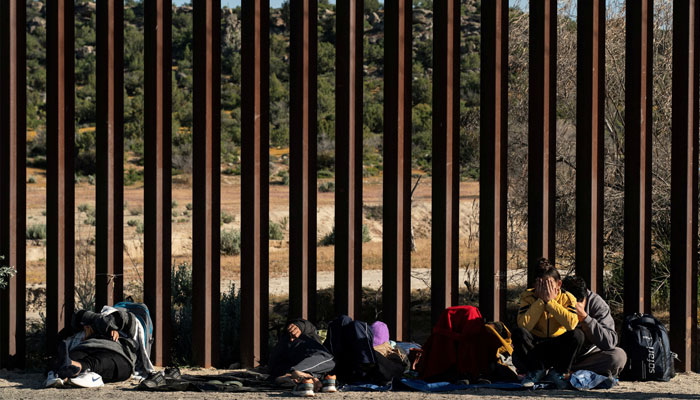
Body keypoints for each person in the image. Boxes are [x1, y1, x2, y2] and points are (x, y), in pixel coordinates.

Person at [513, 258, 584, 388]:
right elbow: (524, 325)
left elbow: (571, 324)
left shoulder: (567, 297)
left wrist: (551, 303)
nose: (546, 289)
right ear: (535, 285)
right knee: (518, 333)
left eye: (550, 285)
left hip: (557, 345)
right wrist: (540, 302)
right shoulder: (527, 297)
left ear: (559, 284)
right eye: (542, 285)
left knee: (578, 335)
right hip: (535, 348)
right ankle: (536, 371)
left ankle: (558, 373)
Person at [45, 306, 155, 388]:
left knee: (98, 362)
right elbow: (79, 315)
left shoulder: (127, 321)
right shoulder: (97, 323)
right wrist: (103, 326)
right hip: (88, 347)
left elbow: (123, 318)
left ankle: (70, 368)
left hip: (115, 351)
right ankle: (64, 370)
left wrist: (108, 326)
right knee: (73, 357)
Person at [562, 276, 627, 377]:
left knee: (618, 356)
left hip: (586, 358)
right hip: (559, 355)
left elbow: (610, 342)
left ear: (585, 298)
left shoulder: (597, 303)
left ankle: (569, 372)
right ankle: (563, 371)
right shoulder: (555, 299)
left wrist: (585, 318)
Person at [268, 319, 336, 397]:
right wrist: (299, 326)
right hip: (292, 349)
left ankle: (299, 380)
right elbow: (308, 326)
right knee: (329, 359)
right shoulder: (308, 339)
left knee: (320, 367)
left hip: (281, 366)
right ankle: (295, 373)